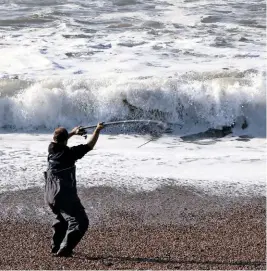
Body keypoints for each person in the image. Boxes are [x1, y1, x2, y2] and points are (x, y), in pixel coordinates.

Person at [44, 123, 104, 257]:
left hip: (49, 193)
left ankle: (56, 247)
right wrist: (97, 130)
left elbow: (59, 140)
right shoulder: (70, 154)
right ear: (65, 141)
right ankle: (65, 249)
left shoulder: (52, 149)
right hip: (63, 193)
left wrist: (73, 132)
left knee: (62, 219)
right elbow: (90, 145)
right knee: (81, 222)